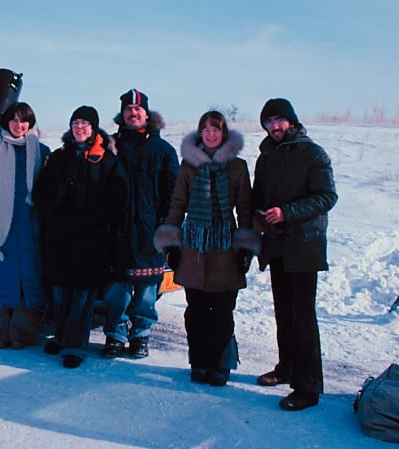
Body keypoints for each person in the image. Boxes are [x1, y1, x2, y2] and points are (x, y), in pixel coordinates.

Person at [154, 111, 257, 386]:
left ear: (224, 133)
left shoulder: (238, 167)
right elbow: (177, 205)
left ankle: (220, 364)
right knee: (196, 310)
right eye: (206, 130)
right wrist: (171, 243)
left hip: (225, 249)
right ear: (200, 133)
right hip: (194, 249)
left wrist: (245, 246)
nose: (211, 134)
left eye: (216, 129)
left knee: (222, 312)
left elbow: (245, 208)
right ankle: (199, 362)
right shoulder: (188, 166)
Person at [251, 98, 338, 411]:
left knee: (302, 317)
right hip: (276, 246)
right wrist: (257, 216)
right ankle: (287, 367)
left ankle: (308, 387)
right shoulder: (266, 156)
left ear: (291, 121)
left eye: (278, 120)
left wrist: (286, 212)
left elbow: (327, 197)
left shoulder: (312, 153)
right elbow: (258, 195)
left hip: (304, 245)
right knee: (284, 313)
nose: (274, 127)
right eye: (268, 121)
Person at [33, 106, 127, 368]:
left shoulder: (107, 160)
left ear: (94, 127)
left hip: (91, 238)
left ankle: (75, 346)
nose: (80, 127)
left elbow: (118, 197)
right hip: (61, 236)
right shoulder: (60, 158)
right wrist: (54, 213)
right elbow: (42, 192)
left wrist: (94, 216)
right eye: (75, 122)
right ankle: (61, 337)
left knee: (82, 295)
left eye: (85, 123)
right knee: (61, 291)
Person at [102, 88, 179, 359]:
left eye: (138, 109)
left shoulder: (164, 151)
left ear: (147, 114)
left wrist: (165, 227)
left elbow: (173, 195)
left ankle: (140, 335)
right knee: (116, 287)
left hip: (150, 231)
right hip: (116, 230)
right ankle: (115, 334)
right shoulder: (109, 147)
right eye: (128, 110)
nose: (133, 113)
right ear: (122, 115)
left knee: (147, 290)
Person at [0, 102, 51, 349]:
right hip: (0, 225)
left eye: (24, 120)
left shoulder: (41, 150)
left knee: (25, 285)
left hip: (30, 226)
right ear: (6, 122)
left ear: (31, 123)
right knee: (1, 282)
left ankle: (22, 334)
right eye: (14, 120)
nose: (19, 125)